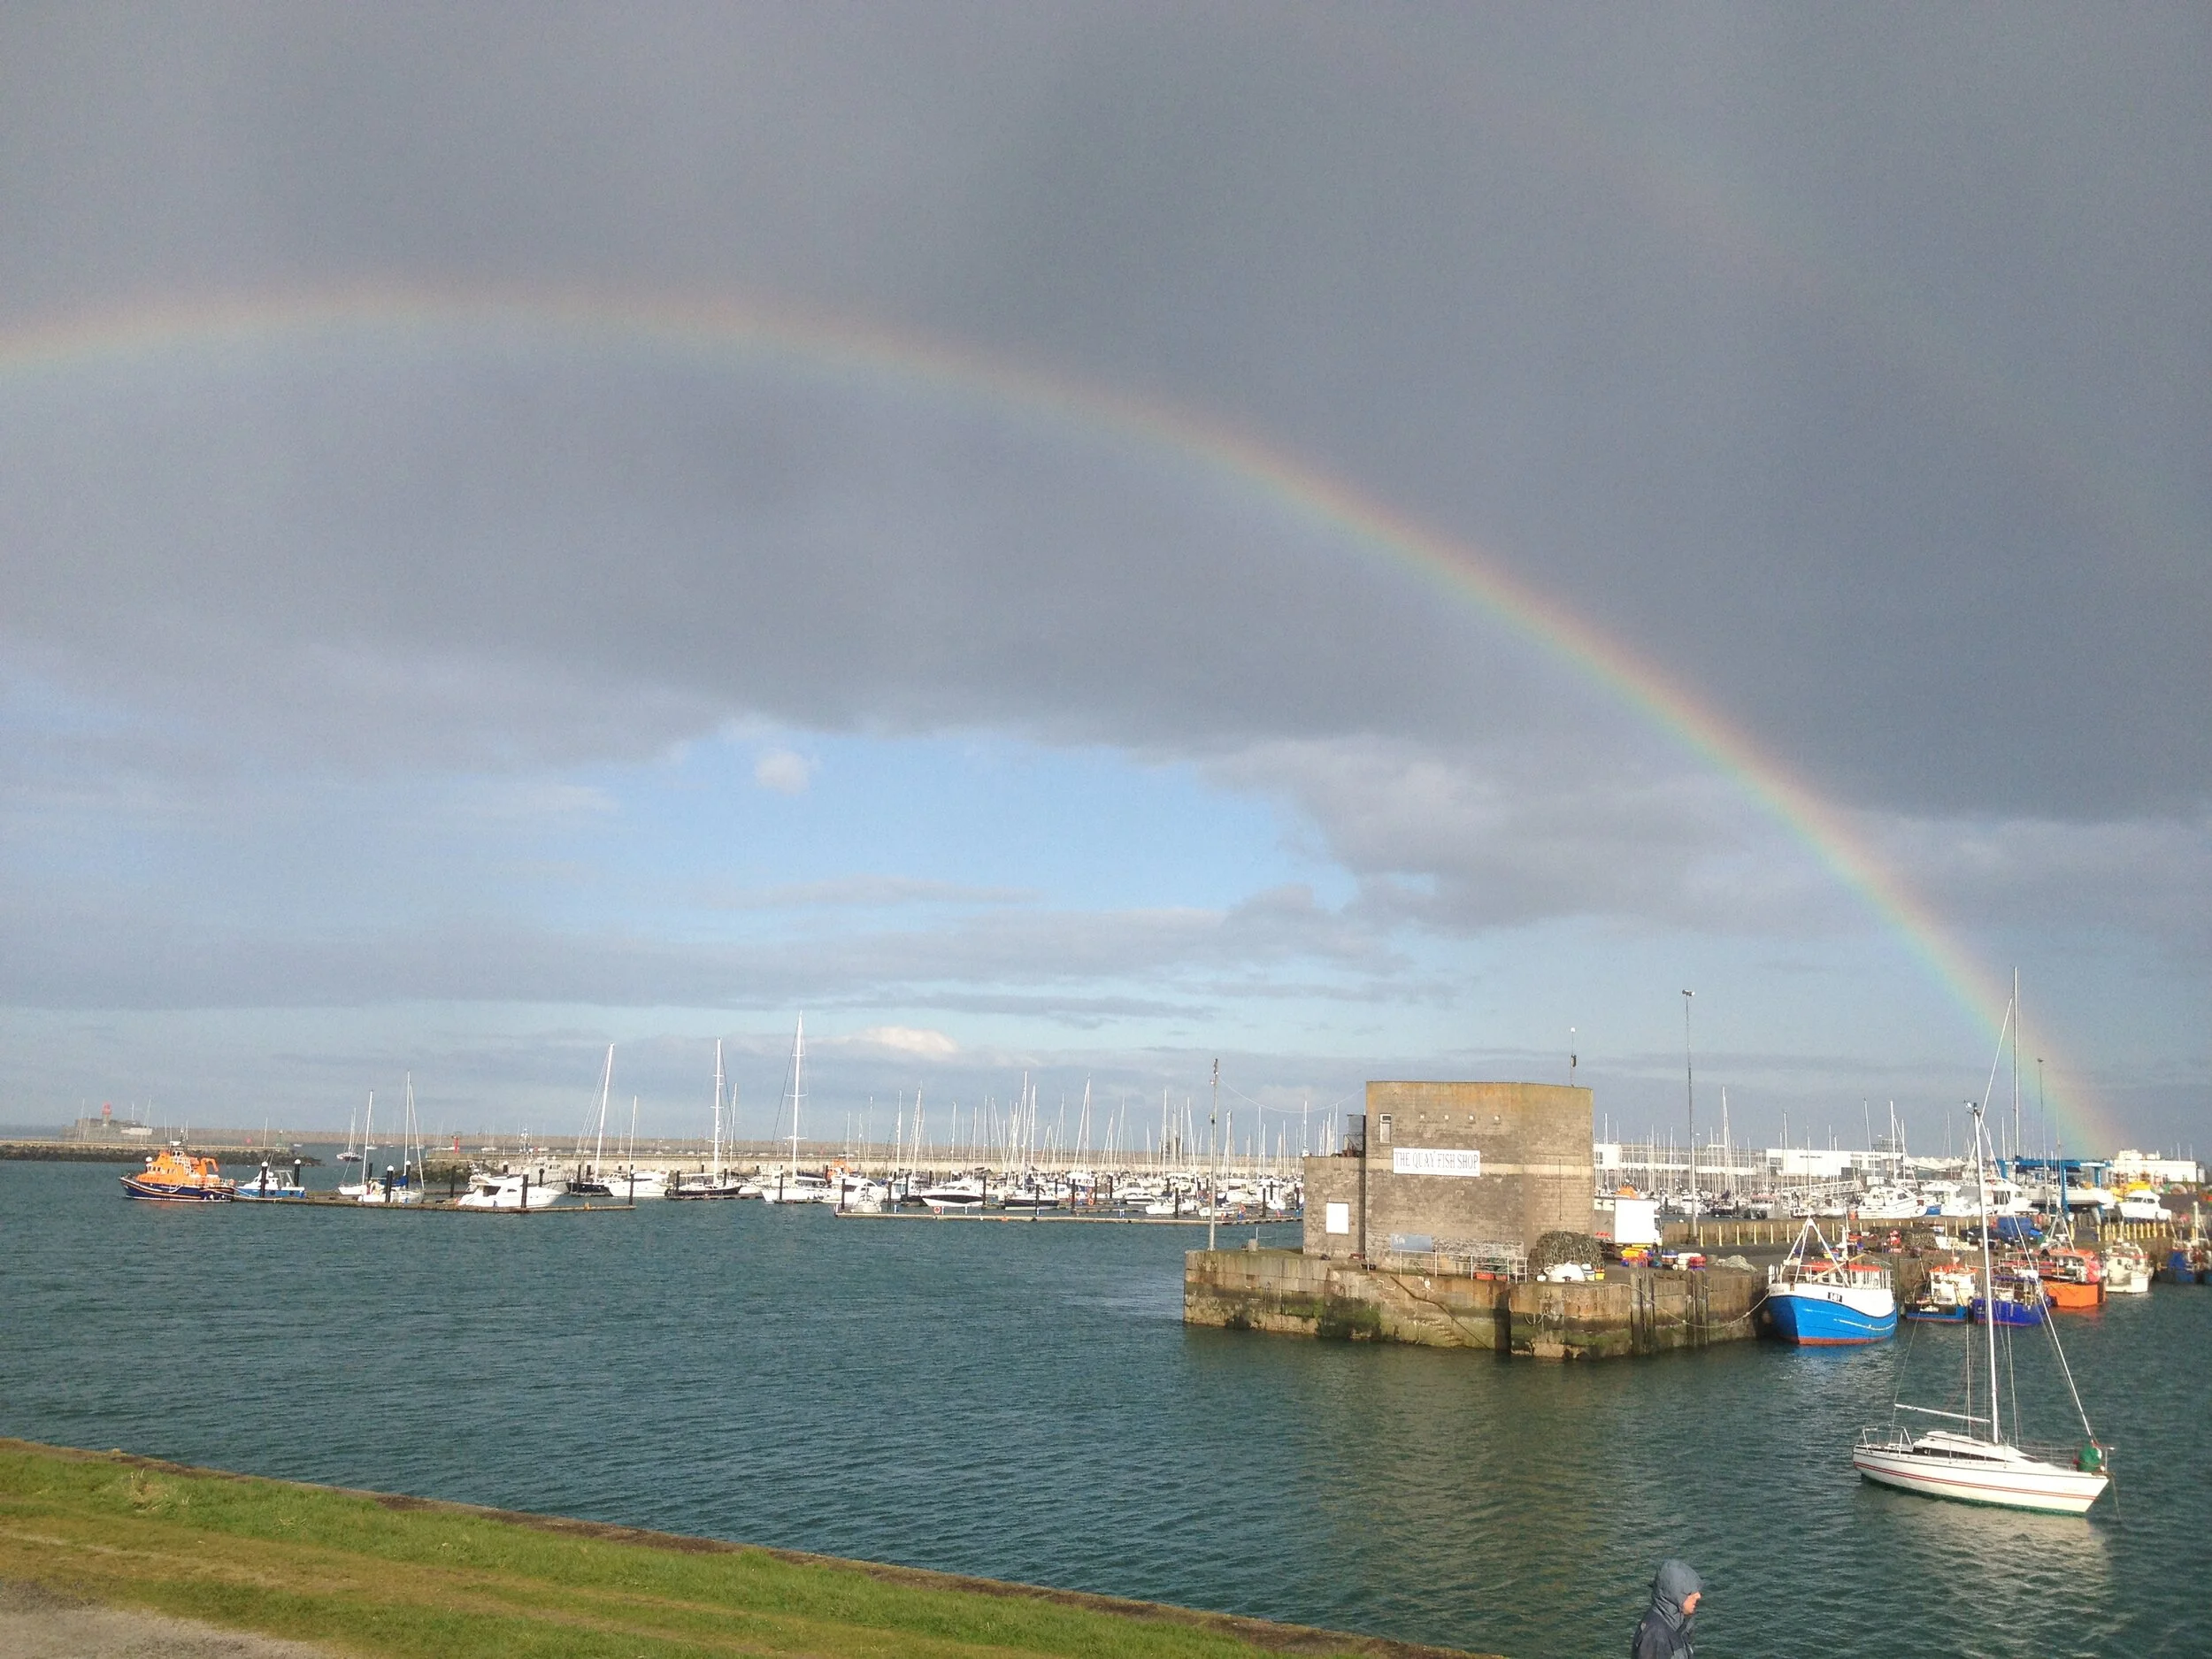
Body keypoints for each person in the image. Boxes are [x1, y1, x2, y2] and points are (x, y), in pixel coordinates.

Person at [1630, 1558, 1702, 1659]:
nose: (1698, 1596)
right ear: (1675, 1595)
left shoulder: (1677, 1624)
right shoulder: (1655, 1636)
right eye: (1690, 1592)